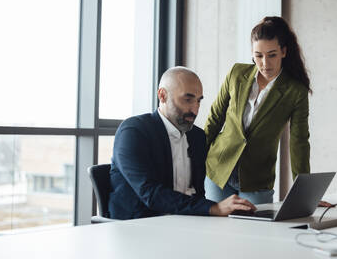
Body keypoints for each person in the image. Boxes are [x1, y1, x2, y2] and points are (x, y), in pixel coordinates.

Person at [108, 66, 256, 219]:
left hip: (186, 222)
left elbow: (198, 193)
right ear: (162, 95)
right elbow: (150, 194)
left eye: (198, 101)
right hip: (139, 226)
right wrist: (213, 207)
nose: (195, 109)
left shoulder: (197, 137)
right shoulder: (134, 132)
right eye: (188, 99)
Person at [204, 16, 311, 205]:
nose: (265, 63)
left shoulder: (295, 91)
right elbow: (215, 117)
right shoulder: (237, 73)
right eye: (258, 55)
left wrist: (305, 193)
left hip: (257, 180)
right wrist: (196, 162)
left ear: (283, 52)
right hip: (218, 171)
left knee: (254, 231)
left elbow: (299, 142)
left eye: (272, 55)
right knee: (213, 231)